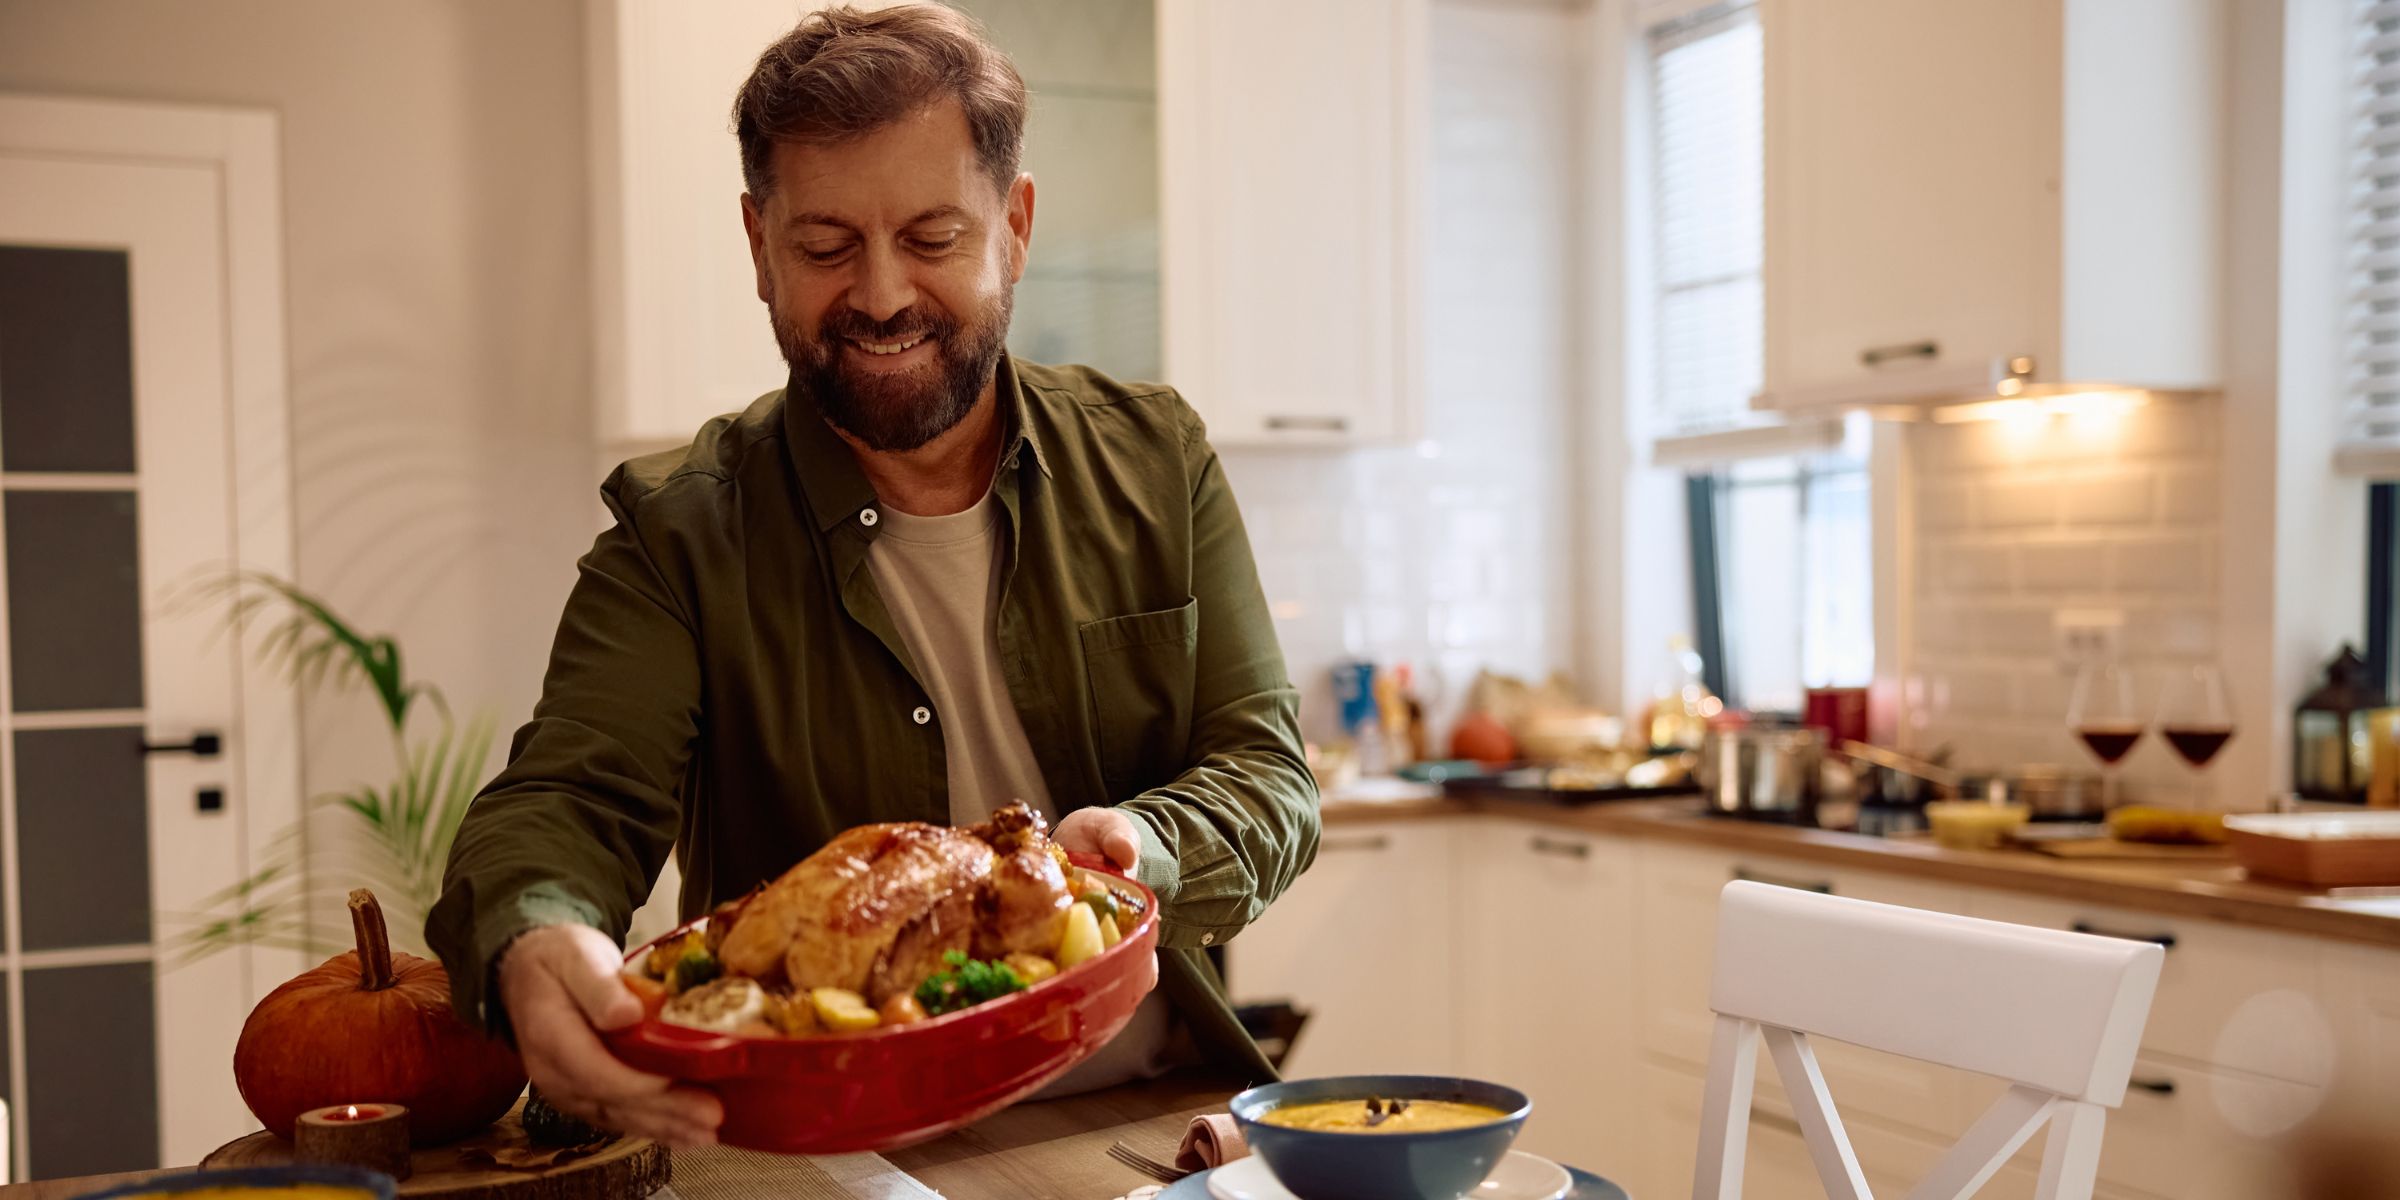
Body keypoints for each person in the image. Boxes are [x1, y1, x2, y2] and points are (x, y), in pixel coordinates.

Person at [427, 2, 1319, 1148]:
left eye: (935, 239)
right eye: (825, 246)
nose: (885, 295)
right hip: (825, 1156)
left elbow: (1266, 773)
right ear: (759, 247)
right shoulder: (679, 531)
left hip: (1144, 1123)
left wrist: (1139, 851)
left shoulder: (1158, 457)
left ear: (1018, 226)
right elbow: (568, 801)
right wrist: (532, 934)